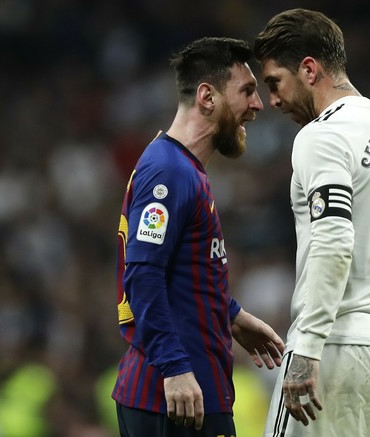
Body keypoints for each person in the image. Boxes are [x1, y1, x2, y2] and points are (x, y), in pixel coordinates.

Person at [253, 9, 370, 436]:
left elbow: (334, 239)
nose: (273, 101)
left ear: (309, 69)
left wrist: (307, 347)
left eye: (275, 83)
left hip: (337, 347)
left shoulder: (322, 136)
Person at [112, 37, 285, 437]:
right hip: (173, 398)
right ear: (207, 96)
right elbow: (143, 274)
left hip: (187, 394)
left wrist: (232, 316)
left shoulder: (183, 169)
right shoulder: (169, 172)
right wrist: (174, 368)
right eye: (246, 91)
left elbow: (179, 272)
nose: (257, 105)